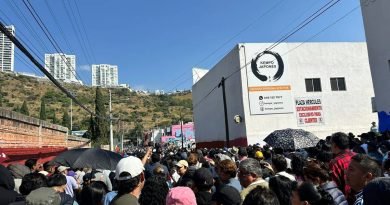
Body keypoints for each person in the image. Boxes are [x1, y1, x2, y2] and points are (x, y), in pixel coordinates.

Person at [329, 132, 355, 196]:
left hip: (346, 198)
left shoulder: (335, 162)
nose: (330, 146)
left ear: (334, 145)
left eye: (330, 143)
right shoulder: (357, 155)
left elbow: (335, 185)